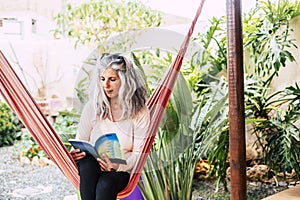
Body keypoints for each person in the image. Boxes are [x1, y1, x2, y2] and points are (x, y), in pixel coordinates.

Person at [70, 53, 150, 200]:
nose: (105, 85)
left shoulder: (139, 111)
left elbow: (139, 155)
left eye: (112, 79)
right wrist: (75, 153)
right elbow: (80, 140)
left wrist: (116, 166)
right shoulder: (93, 107)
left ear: (125, 81)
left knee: (105, 184)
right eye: (102, 79)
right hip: (92, 165)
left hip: (120, 170)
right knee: (87, 164)